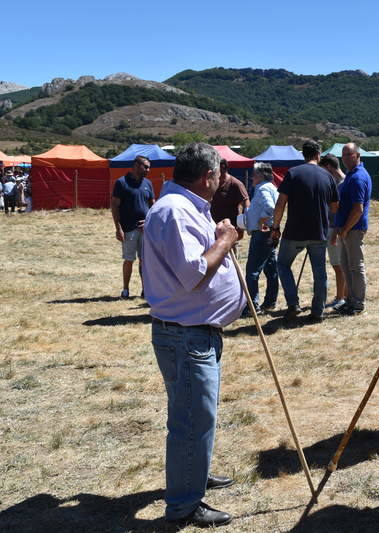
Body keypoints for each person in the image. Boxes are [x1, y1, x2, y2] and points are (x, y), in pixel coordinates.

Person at [142, 142, 245, 528]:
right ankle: (185, 503)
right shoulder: (175, 211)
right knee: (190, 419)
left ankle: (192, 475)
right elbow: (192, 273)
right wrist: (224, 241)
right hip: (186, 336)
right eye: (220, 174)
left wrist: (219, 234)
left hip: (194, 334)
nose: (222, 181)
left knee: (196, 416)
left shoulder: (185, 208)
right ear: (208, 176)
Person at [270, 140, 339, 322]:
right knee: (319, 272)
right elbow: (335, 207)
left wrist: (275, 227)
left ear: (303, 154)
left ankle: (293, 304)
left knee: (283, 265)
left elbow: (280, 204)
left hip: (294, 232)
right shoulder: (328, 176)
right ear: (318, 155)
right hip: (319, 232)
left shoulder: (293, 173)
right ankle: (318, 311)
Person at [333, 143, 372, 315]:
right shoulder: (351, 175)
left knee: (355, 266)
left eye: (349, 155)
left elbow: (358, 209)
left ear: (357, 155)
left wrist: (346, 229)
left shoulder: (357, 178)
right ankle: (350, 301)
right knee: (346, 265)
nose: (346, 158)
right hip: (347, 229)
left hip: (353, 229)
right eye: (344, 155)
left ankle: (357, 303)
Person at [111, 155, 154, 299]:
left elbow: (153, 206)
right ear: (135, 166)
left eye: (149, 167)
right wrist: (118, 228)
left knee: (145, 260)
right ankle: (125, 290)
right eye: (145, 166)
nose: (148, 170)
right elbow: (115, 206)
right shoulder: (121, 183)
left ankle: (145, 290)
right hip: (128, 228)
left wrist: (150, 222)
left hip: (145, 230)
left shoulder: (148, 183)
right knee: (129, 260)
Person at [241, 162, 280, 315]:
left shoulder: (263, 188)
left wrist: (261, 220)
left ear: (260, 176)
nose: (252, 177)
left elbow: (270, 207)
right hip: (268, 232)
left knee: (252, 270)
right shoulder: (271, 187)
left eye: (254, 174)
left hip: (262, 233)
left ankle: (252, 306)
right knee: (271, 269)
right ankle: (270, 302)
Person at [319, 154, 347, 308]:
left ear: (329, 167)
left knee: (338, 265)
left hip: (334, 228)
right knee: (340, 264)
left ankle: (341, 297)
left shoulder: (340, 184)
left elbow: (338, 211)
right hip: (334, 227)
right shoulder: (341, 182)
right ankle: (343, 295)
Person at [210, 159, 250, 246]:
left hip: (230, 227)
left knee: (230, 253)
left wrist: (242, 223)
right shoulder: (213, 182)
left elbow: (246, 201)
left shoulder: (236, 184)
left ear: (223, 168)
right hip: (213, 225)